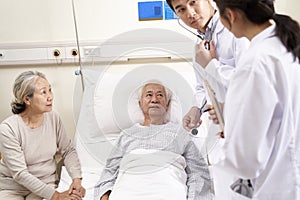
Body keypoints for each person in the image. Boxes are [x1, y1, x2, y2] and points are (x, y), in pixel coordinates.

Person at [211, 0, 300, 199]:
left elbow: (244, 161)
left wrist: (229, 137)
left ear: (231, 15)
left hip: (277, 187)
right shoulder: (283, 46)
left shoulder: (256, 63)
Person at [94, 82, 213, 200]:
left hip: (168, 186)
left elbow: (199, 173)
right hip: (129, 186)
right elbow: (109, 171)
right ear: (140, 104)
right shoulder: (126, 135)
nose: (154, 99)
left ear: (167, 104)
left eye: (160, 95)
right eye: (149, 95)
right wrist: (104, 197)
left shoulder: (180, 134)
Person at [0, 71, 86, 200]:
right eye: (43, 92)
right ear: (27, 99)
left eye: (50, 90)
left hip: (45, 184)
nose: (50, 96)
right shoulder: (8, 129)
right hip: (12, 187)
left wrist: (77, 179)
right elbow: (20, 174)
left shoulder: (53, 118)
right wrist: (56, 196)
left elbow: (67, 150)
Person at [166, 0, 248, 132]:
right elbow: (202, 86)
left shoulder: (236, 31)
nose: (190, 13)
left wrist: (210, 64)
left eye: (193, 2)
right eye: (181, 10)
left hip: (245, 121)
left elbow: (248, 81)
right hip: (222, 125)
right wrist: (196, 108)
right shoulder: (199, 45)